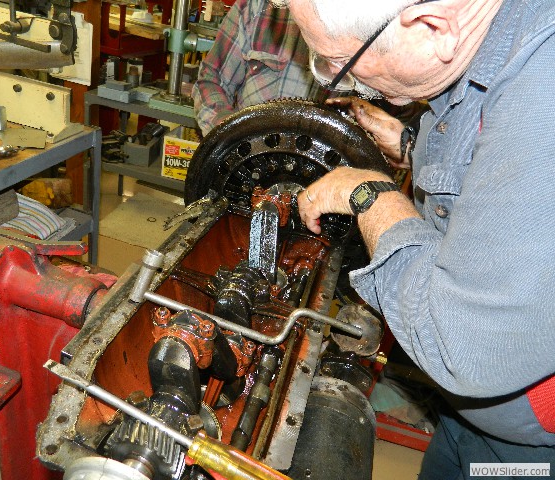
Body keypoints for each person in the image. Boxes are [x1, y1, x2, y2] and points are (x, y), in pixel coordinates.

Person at [279, 0, 555, 476]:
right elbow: (496, 168)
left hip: (532, 448)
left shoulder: (543, 88)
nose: (337, 81)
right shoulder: (486, 40)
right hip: (469, 418)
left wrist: (371, 196)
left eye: (338, 63)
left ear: (433, 26)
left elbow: (466, 345)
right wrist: (412, 143)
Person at [191, 0, 323, 136]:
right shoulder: (254, 7)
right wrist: (228, 132)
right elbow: (212, 79)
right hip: (249, 150)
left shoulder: (345, 25)